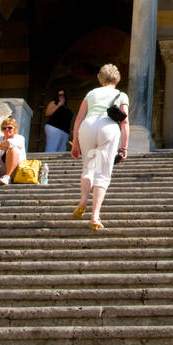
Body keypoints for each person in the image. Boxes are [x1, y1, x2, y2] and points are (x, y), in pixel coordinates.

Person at [70, 64, 129, 230]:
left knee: (88, 168)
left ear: (100, 79)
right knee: (102, 172)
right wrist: (124, 147)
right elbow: (124, 121)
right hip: (108, 128)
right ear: (117, 80)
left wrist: (75, 141)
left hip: (88, 126)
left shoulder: (91, 93)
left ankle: (83, 201)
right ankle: (95, 215)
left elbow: (79, 118)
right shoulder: (121, 95)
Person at [0, 117, 27, 185]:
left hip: (16, 171)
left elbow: (10, 143)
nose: (7, 130)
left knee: (12, 149)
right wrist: (0, 147)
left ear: (14, 129)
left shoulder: (19, 138)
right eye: (4, 128)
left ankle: (8, 176)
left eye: (10, 127)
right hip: (0, 171)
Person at [44, 89, 74, 154]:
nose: (62, 96)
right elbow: (47, 113)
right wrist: (58, 105)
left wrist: (71, 132)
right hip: (54, 128)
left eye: (64, 95)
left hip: (65, 131)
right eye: (60, 95)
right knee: (52, 148)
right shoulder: (54, 103)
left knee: (61, 151)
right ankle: (47, 162)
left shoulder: (67, 108)